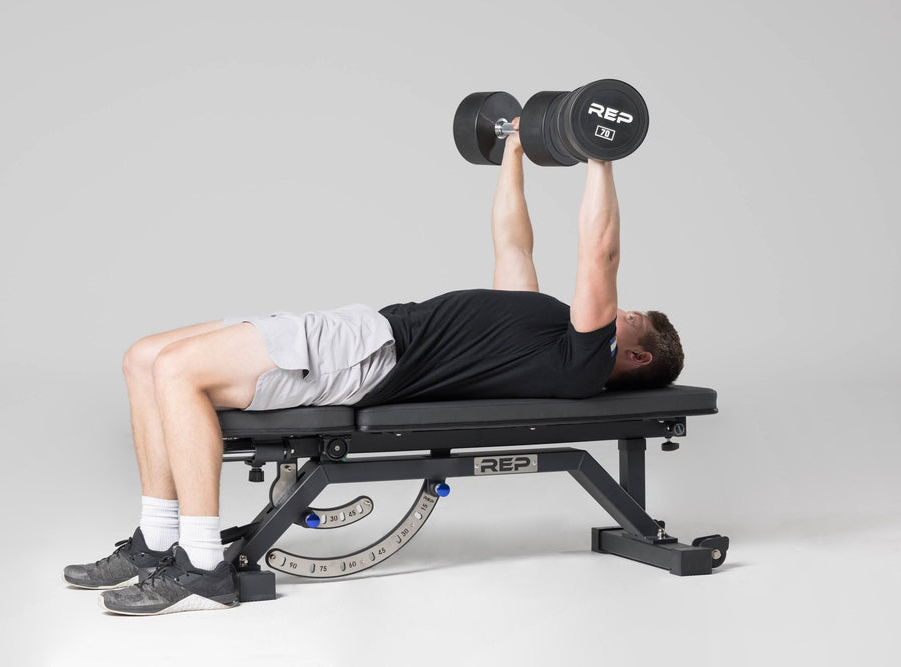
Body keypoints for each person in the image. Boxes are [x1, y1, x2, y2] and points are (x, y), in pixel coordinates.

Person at [63, 119, 684, 615]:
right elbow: (513, 243)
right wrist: (513, 152)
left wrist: (600, 157)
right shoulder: (542, 324)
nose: (620, 309)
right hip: (357, 337)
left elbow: (599, 252)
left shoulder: (579, 357)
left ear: (633, 355)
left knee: (175, 372)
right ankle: (156, 538)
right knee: (142, 357)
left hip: (365, 354)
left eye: (631, 317)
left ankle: (201, 563)